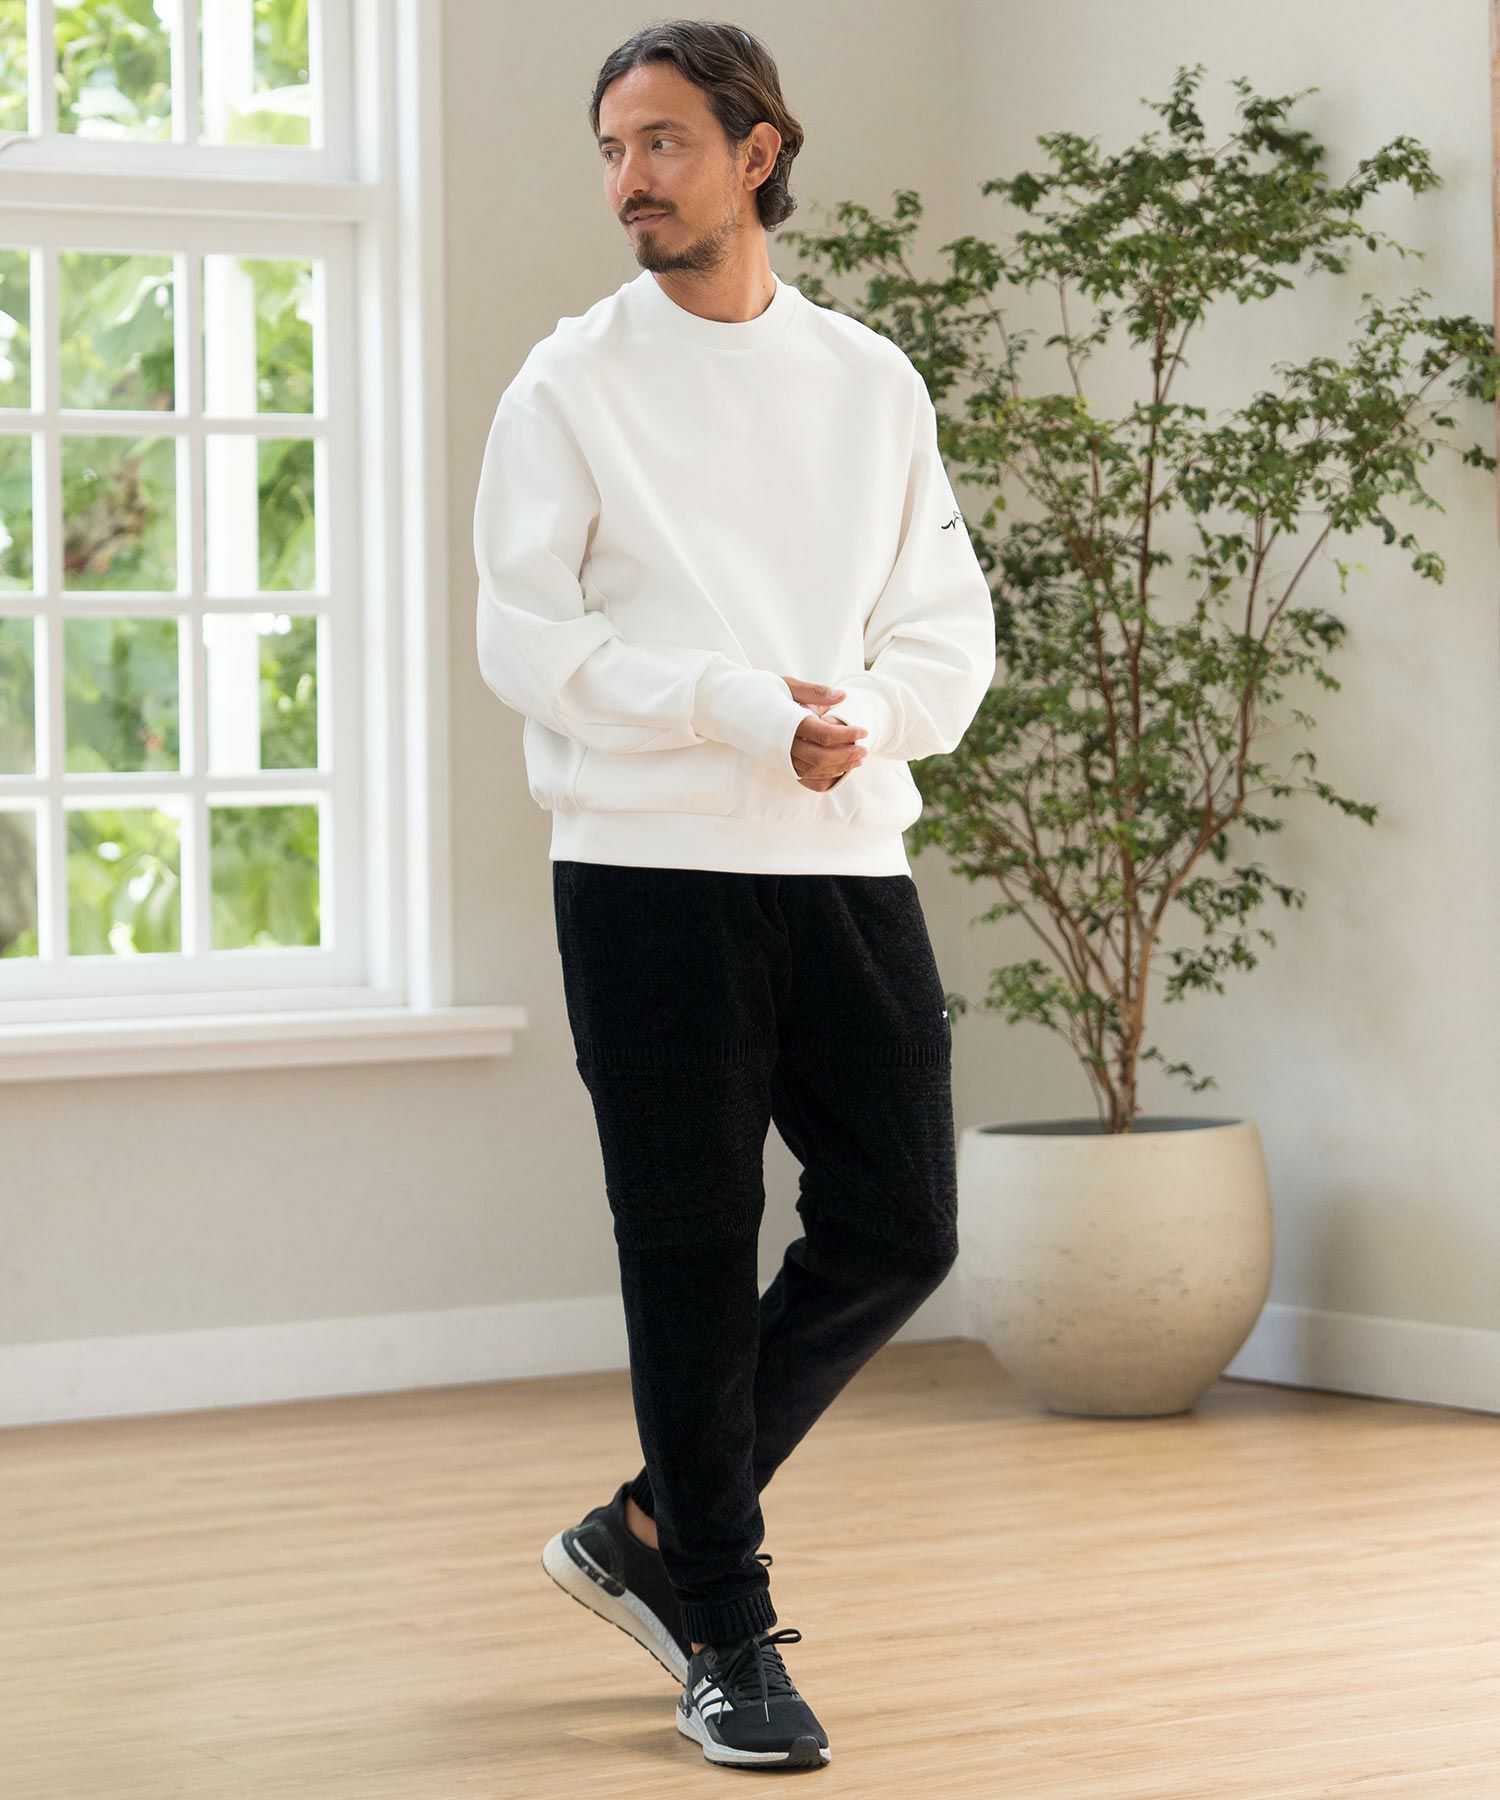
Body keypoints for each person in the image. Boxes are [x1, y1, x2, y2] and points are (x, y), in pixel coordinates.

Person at [473, 19, 995, 1774]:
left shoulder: (870, 382)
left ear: (758, 152)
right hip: (645, 871)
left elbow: (947, 625)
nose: (630, 180)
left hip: (841, 855)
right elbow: (530, 640)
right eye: (613, 150)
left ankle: (648, 1529)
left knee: (903, 1222)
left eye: (664, 144)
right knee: (689, 1251)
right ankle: (723, 1618)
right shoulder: (568, 386)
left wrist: (870, 720)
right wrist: (740, 708)